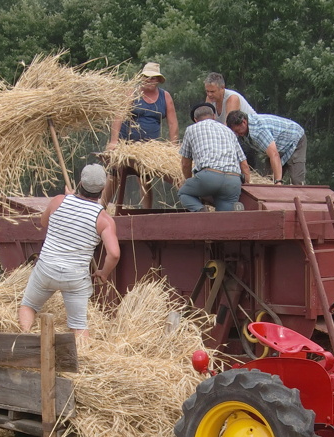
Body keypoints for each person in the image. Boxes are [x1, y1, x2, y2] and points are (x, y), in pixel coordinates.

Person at [19, 165, 120, 338]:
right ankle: (82, 361)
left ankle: (25, 340)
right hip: (75, 277)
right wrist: (104, 273)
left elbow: (43, 223)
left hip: (46, 270)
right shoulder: (104, 219)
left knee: (28, 306)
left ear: (80, 182)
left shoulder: (59, 201)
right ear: (103, 189)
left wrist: (69, 198)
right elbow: (114, 254)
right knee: (78, 325)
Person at [103, 62, 179, 209]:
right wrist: (114, 142)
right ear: (142, 78)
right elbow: (118, 116)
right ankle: (102, 207)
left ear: (158, 80)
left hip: (149, 147)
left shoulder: (165, 97)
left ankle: (146, 212)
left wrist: (174, 146)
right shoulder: (132, 92)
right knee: (115, 175)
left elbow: (173, 123)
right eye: (146, 77)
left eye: (153, 78)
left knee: (145, 178)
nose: (149, 81)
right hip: (128, 143)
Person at [177, 104, 250, 212]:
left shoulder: (191, 129)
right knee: (224, 220)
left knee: (184, 192)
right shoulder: (229, 131)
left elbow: (185, 164)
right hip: (233, 181)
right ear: (214, 116)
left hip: (209, 177)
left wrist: (189, 181)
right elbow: (244, 165)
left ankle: (202, 211)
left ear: (196, 120)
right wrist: (246, 187)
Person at [226, 110, 307, 185]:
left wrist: (278, 182)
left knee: (296, 180)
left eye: (237, 131)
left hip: (295, 139)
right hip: (278, 147)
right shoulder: (244, 129)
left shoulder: (258, 131)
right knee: (267, 179)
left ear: (244, 122)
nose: (236, 134)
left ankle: (301, 198)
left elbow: (274, 155)